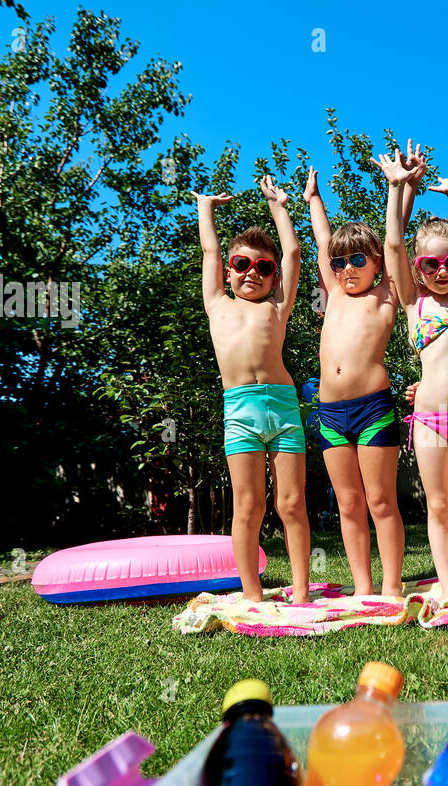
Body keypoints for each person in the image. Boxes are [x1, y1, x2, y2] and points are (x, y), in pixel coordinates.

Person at [375, 144, 448, 599]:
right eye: (431, 264)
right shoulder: (413, 303)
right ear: (418, 270)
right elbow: (392, 244)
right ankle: (447, 585)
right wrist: (397, 187)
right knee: (438, 505)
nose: (443, 270)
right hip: (426, 418)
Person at [192, 178, 310, 602]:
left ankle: (300, 592)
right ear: (229, 269)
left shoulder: (278, 307)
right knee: (248, 506)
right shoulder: (217, 303)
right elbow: (209, 250)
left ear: (273, 276)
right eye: (242, 264)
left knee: (292, 505)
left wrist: (280, 206)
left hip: (282, 407)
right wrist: (206, 207)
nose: (252, 274)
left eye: (264, 268)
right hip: (240, 410)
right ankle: (251, 593)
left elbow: (294, 252)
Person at [303, 163, 409, 596]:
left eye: (358, 260)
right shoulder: (333, 294)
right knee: (349, 503)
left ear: (377, 263)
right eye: (340, 262)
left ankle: (391, 586)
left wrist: (397, 188)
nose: (347, 268)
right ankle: (363, 589)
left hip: (373, 408)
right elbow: (323, 241)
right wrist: (313, 199)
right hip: (330, 412)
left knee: (381, 502)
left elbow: (394, 241)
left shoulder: (386, 292)